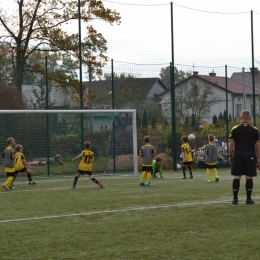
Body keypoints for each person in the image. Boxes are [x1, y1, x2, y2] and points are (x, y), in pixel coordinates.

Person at [228, 110, 260, 204]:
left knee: (237, 176)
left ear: (240, 118)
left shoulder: (235, 128)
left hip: (238, 154)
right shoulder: (255, 130)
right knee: (249, 176)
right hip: (250, 154)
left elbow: (231, 144)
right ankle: (248, 199)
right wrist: (258, 157)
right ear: (250, 118)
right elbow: (258, 145)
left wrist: (230, 155)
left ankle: (235, 199)